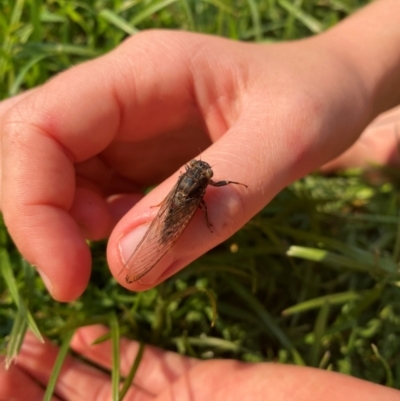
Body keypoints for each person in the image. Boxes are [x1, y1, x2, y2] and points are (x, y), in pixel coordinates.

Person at [1, 0, 400, 399]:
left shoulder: (201, 184)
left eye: (203, 173)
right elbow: (196, 199)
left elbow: (203, 194)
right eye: (201, 172)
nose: (204, 174)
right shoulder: (199, 187)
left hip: (176, 206)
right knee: (174, 219)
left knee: (179, 219)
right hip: (174, 209)